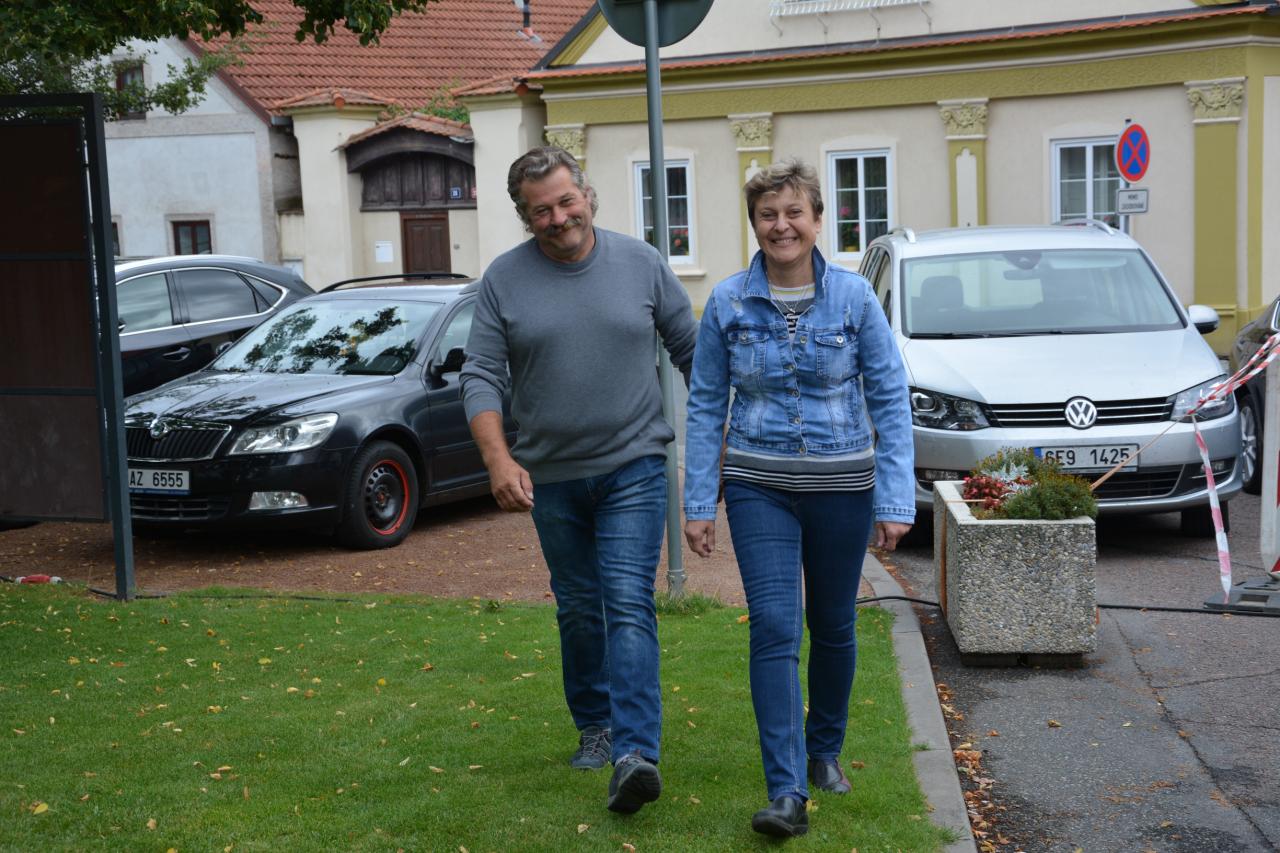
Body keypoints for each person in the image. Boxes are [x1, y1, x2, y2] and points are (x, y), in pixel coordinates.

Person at [460, 146, 697, 815]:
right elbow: (481, 373)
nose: (559, 218)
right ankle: (595, 725)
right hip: (553, 477)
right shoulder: (504, 279)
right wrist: (498, 460)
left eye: (567, 201)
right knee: (578, 606)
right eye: (542, 211)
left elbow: (692, 350)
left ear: (587, 195)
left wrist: (715, 440)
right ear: (525, 216)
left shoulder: (641, 263)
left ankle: (634, 752)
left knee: (627, 600)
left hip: (634, 463)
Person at [682, 159, 915, 838]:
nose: (781, 226)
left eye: (794, 213)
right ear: (754, 223)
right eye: (767, 214)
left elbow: (890, 399)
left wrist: (895, 498)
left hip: (843, 487)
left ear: (817, 220)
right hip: (758, 485)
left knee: (834, 624)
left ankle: (824, 749)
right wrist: (699, 501)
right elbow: (705, 404)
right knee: (775, 626)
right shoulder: (727, 302)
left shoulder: (855, 299)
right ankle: (785, 790)